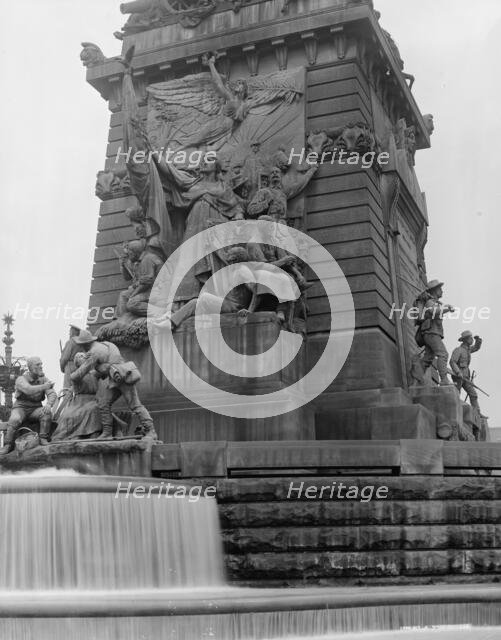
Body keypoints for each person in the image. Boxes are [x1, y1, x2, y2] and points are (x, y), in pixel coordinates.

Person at [71, 330, 157, 440]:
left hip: (122, 378)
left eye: (81, 345)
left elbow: (81, 372)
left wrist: (73, 376)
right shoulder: (107, 344)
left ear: (85, 344)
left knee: (135, 405)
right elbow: (112, 362)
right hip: (116, 379)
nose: (81, 348)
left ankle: (151, 431)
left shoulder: (93, 352)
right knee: (103, 403)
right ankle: (107, 433)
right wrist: (100, 368)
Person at [0, 357, 57, 454]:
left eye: (41, 364)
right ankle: (7, 445)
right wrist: (44, 386)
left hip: (35, 408)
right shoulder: (20, 379)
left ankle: (43, 438)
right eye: (37, 365)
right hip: (20, 408)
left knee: (46, 413)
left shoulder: (44, 379)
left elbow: (52, 393)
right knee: (14, 419)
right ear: (30, 367)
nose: (40, 366)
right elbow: (28, 389)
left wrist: (49, 404)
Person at [51, 352, 102, 441]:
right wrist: (90, 361)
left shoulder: (93, 374)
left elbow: (102, 368)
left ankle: (93, 433)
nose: (84, 357)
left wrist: (97, 358)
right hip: (79, 403)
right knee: (92, 408)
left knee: (96, 407)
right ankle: (86, 434)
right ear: (77, 362)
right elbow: (80, 373)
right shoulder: (75, 375)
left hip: (93, 399)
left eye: (83, 355)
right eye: (81, 356)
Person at [416, 279, 455, 385]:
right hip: (431, 333)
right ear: (434, 290)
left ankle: (416, 378)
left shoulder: (435, 302)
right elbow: (434, 312)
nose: (442, 291)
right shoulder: (430, 302)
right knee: (443, 354)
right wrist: (446, 308)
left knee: (428, 358)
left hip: (432, 333)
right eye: (440, 289)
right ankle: (444, 380)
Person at [450, 331, 483, 411]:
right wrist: (458, 372)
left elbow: (476, 347)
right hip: (458, 376)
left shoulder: (468, 350)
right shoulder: (458, 350)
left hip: (466, 377)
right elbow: (452, 362)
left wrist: (478, 341)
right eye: (470, 338)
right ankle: (454, 409)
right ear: (465, 340)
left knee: (473, 394)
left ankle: (477, 412)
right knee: (456, 392)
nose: (472, 339)